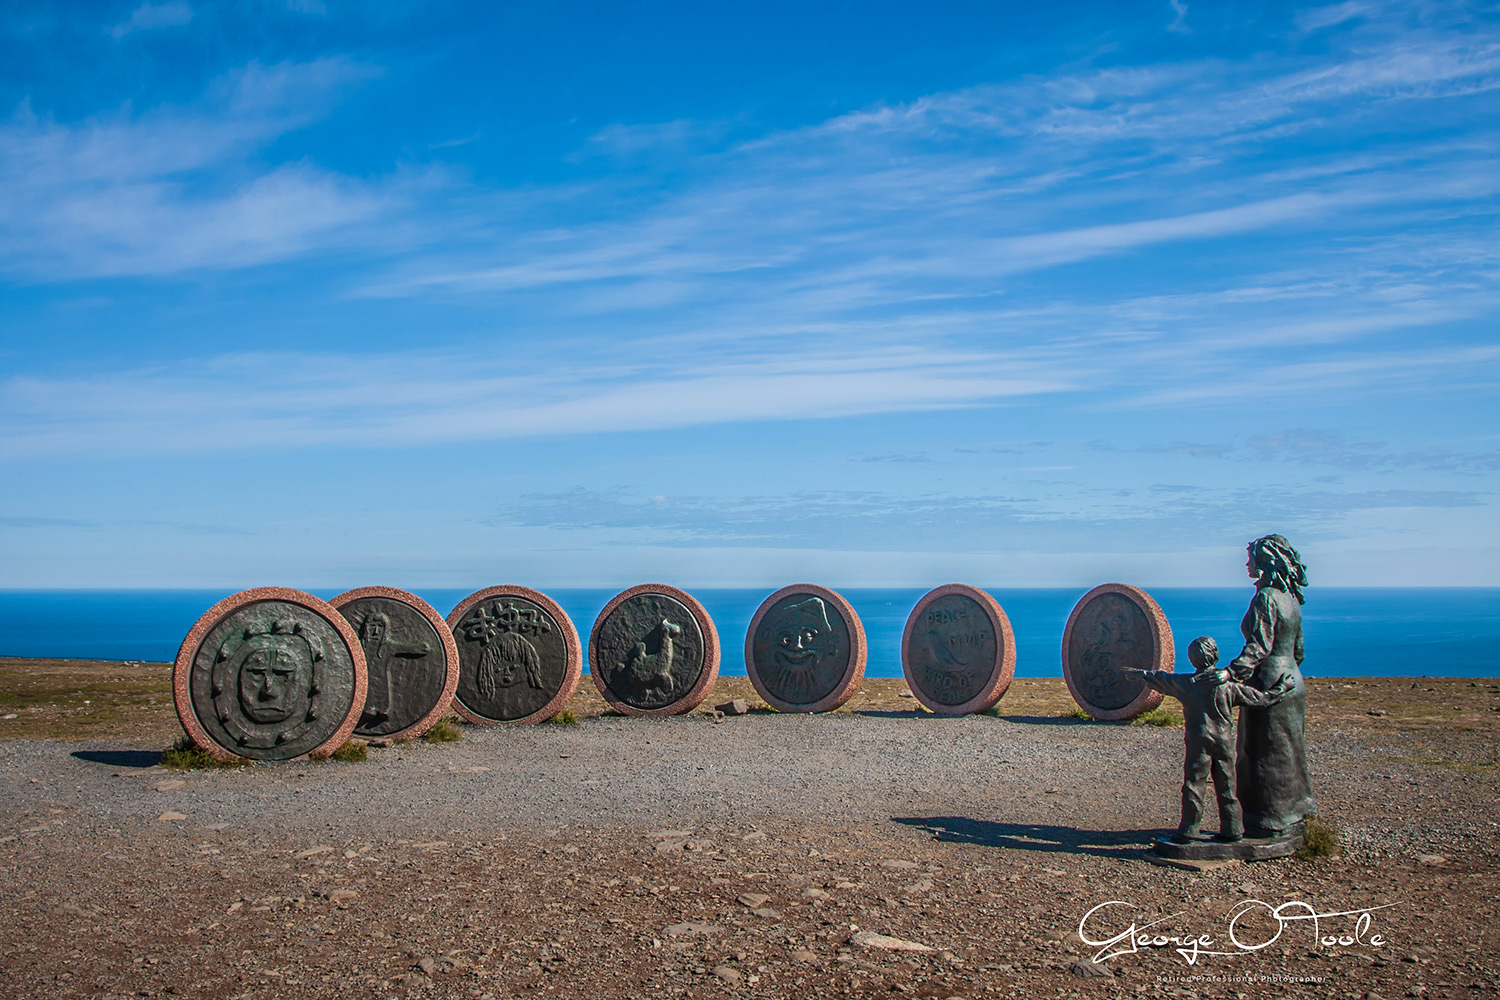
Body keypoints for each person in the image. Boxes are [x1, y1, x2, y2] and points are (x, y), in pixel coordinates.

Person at [1127, 636, 1287, 841]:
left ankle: (1189, 829)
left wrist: (1139, 674)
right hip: (1223, 740)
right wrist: (1282, 687)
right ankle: (1233, 828)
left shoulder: (1186, 683)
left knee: (1194, 784)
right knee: (1227, 784)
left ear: (1192, 660)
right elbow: (1262, 699)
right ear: (1215, 656)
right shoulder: (1228, 687)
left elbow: (1161, 679)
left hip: (1198, 740)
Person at [1230, 534, 1317, 837]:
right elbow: (1300, 650)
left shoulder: (1266, 597)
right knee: (1289, 751)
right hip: (1292, 681)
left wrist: (1230, 674)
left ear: (1265, 561)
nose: (1247, 563)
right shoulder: (1291, 598)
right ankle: (1293, 814)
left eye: (1251, 557)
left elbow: (1257, 648)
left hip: (1267, 683)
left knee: (1260, 752)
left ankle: (1267, 820)